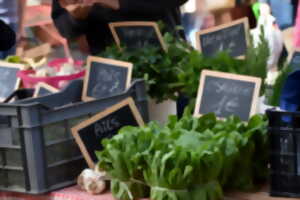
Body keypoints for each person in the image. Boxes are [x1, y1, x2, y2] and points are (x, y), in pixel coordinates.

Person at [52, 0, 187, 54]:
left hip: (164, 56)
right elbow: (63, 24)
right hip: (110, 68)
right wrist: (76, 18)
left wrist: (119, 3)